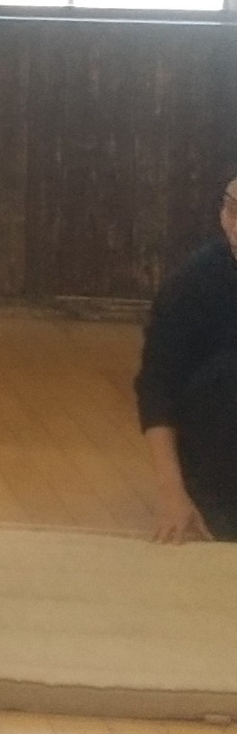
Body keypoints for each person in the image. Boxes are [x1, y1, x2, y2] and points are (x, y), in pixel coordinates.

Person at [136, 175, 237, 542]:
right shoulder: (192, 283)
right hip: (218, 464)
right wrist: (173, 495)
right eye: (232, 209)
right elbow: (157, 388)